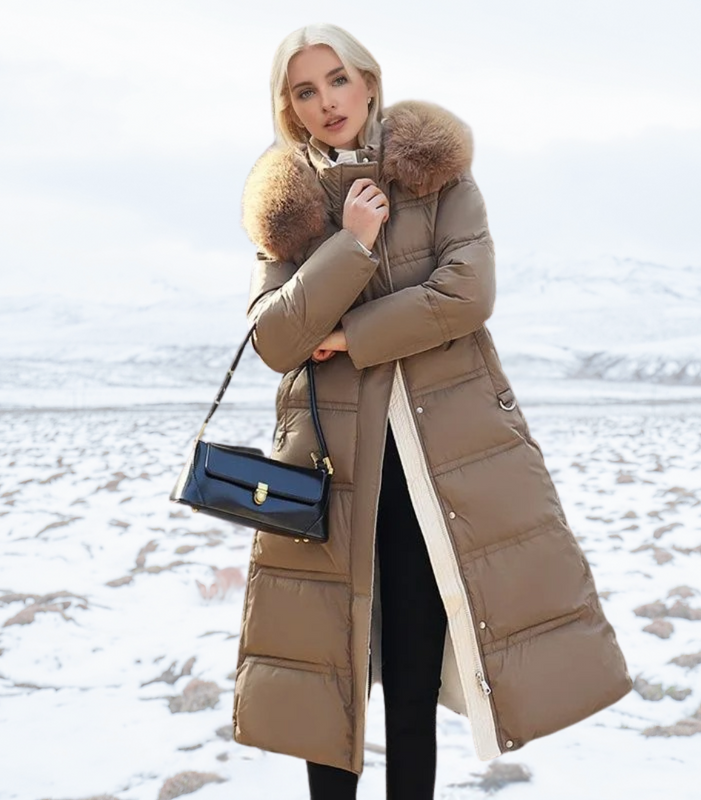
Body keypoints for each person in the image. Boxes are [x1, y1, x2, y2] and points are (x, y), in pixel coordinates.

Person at [231, 22, 633, 800]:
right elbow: (277, 337)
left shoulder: (437, 175)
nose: (326, 102)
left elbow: (466, 295)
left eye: (337, 80)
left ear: (370, 81)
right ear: (289, 106)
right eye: (305, 90)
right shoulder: (286, 206)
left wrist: (346, 334)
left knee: (413, 681)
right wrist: (350, 243)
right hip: (328, 470)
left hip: (433, 466)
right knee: (329, 682)